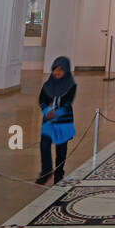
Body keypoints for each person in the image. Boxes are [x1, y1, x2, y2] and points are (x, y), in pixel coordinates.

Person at [36, 57, 76, 185]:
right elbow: (41, 100)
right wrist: (46, 111)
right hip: (48, 121)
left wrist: (56, 113)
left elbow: (67, 103)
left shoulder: (71, 85)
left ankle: (59, 174)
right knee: (44, 144)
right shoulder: (47, 85)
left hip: (63, 122)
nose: (57, 73)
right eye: (55, 70)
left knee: (61, 150)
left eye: (60, 70)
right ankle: (46, 171)